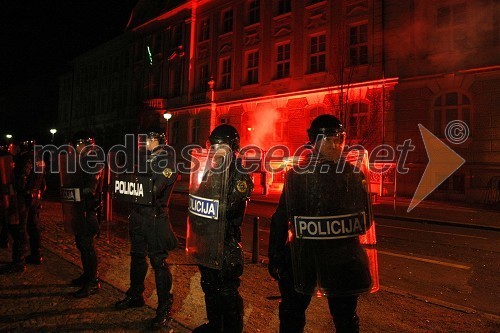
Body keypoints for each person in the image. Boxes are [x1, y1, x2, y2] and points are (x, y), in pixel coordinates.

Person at [268, 115, 375, 333]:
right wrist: (276, 255)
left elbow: (365, 220)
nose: (334, 145)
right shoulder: (298, 176)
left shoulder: (353, 175)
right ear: (314, 142)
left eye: (337, 139)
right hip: (306, 255)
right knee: (292, 314)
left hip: (338, 257)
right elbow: (281, 219)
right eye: (329, 140)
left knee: (344, 317)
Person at [190, 124, 254, 333]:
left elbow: (230, 210)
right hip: (207, 240)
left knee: (227, 292)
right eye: (213, 146)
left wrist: (209, 209)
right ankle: (215, 325)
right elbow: (199, 196)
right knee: (208, 285)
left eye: (221, 147)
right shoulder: (211, 171)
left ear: (232, 148)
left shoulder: (240, 175)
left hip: (226, 242)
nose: (215, 151)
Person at [115, 127, 179, 331]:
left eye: (149, 140)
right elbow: (129, 182)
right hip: (139, 217)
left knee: (158, 263)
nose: (145, 143)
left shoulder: (167, 162)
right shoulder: (144, 159)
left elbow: (152, 189)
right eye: (145, 139)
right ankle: (136, 294)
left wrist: (131, 184)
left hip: (155, 217)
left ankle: (164, 310)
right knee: (136, 256)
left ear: (159, 141)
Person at [63, 131, 103, 298]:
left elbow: (90, 188)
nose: (76, 147)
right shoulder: (79, 161)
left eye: (79, 144)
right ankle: (87, 275)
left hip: (88, 209)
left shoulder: (92, 161)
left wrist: (75, 192)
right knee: (81, 243)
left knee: (87, 246)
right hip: (80, 209)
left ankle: (92, 282)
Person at [15, 139, 46, 265]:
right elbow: (44, 183)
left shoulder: (26, 159)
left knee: (21, 227)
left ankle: (19, 259)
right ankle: (36, 254)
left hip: (25, 196)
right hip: (35, 197)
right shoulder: (40, 160)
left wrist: (18, 190)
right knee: (33, 226)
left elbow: (22, 178)